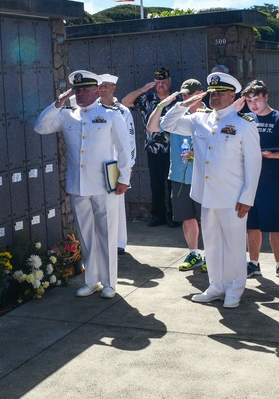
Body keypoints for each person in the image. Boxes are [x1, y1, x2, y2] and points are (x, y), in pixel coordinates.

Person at [161, 72, 261, 308]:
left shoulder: (244, 125)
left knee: (234, 246)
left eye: (221, 93)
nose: (215, 97)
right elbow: (167, 123)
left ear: (232, 95)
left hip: (233, 197)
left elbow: (254, 164)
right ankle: (216, 286)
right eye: (213, 93)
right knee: (213, 244)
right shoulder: (200, 119)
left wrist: (248, 197)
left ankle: (235, 288)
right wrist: (183, 104)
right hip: (207, 196)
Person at [35, 70, 134, 298]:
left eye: (85, 89)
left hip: (104, 184)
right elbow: (40, 127)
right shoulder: (67, 115)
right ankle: (92, 280)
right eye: (77, 90)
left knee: (107, 234)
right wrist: (58, 103)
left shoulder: (111, 115)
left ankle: (109, 283)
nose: (80, 94)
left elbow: (123, 149)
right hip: (78, 185)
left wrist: (124, 179)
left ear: (97, 91)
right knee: (86, 235)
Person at [240, 80, 279, 283]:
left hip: (272, 181)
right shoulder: (245, 119)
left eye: (257, 99)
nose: (253, 104)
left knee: (275, 227)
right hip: (249, 182)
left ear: (266, 97)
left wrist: (272, 156)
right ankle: (253, 264)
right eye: (249, 100)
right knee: (252, 226)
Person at [151, 78, 206, 272]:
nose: (186, 98)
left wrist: (197, 154)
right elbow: (152, 127)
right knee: (187, 217)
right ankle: (194, 253)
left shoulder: (210, 115)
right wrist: (161, 106)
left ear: (200, 93)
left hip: (204, 177)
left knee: (207, 219)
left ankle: (211, 256)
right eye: (183, 95)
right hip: (179, 176)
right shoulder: (176, 117)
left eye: (190, 94)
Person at [122, 68, 176, 227]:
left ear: (169, 82)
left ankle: (174, 216)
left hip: (174, 149)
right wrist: (143, 89)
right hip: (153, 150)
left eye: (163, 82)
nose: (160, 85)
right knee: (156, 184)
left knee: (173, 184)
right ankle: (158, 216)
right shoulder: (147, 99)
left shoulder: (177, 99)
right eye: (158, 82)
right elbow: (125, 102)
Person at [98, 74, 134, 255]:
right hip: (96, 164)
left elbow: (130, 141)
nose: (103, 89)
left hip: (115, 164)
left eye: (106, 85)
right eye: (100, 85)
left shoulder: (122, 111)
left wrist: (129, 167)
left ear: (114, 88)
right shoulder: (93, 108)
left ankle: (119, 242)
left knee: (116, 204)